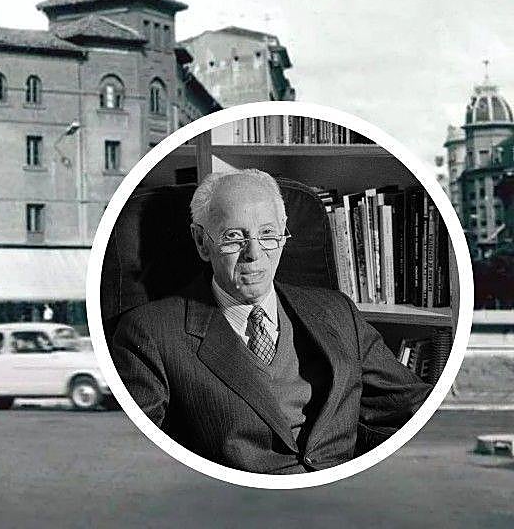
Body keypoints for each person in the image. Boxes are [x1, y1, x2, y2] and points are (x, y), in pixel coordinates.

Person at [109, 169, 432, 474]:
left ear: (283, 234)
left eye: (267, 234)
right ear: (202, 242)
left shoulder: (337, 312)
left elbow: (411, 405)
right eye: (234, 237)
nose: (254, 253)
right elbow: (134, 458)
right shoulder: (150, 332)